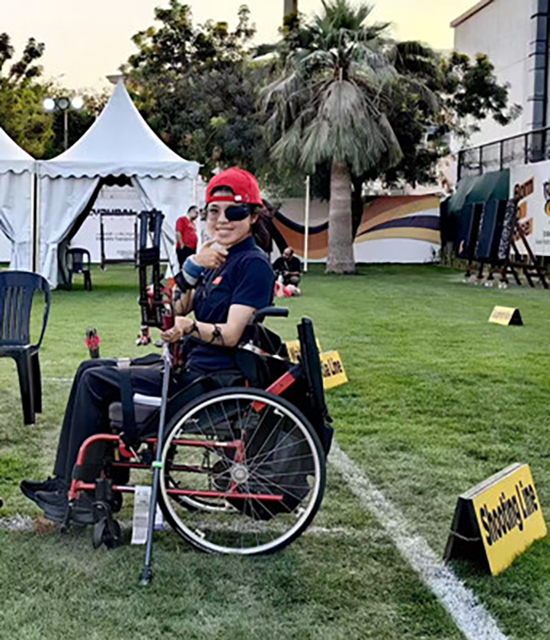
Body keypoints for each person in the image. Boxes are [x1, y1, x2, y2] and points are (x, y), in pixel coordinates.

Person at [21, 168, 274, 524]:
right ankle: (70, 483)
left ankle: (76, 493)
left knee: (95, 380)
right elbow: (173, 306)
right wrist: (192, 266)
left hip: (208, 379)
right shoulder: (216, 258)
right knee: (89, 368)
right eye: (213, 211)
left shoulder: (253, 265)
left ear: (253, 215)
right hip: (190, 367)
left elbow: (231, 334)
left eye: (234, 211)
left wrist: (188, 327)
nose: (222, 220)